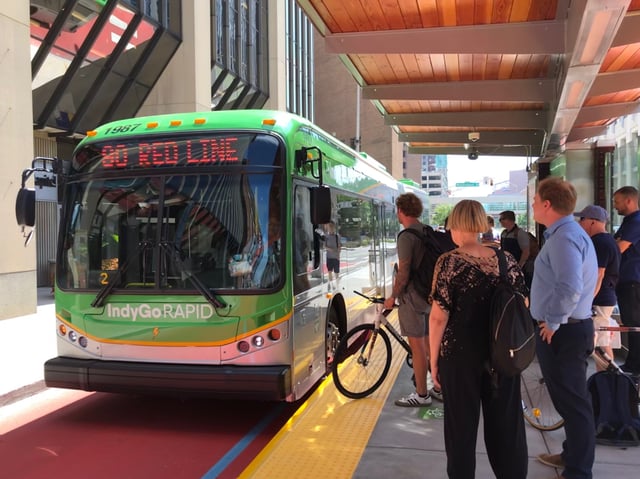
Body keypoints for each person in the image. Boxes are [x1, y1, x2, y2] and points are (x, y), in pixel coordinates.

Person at [429, 199, 528, 479]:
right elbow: (524, 304)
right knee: (507, 428)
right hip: (502, 356)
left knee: (460, 431)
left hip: (460, 357)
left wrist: (433, 359)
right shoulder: (505, 260)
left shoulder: (449, 262)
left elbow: (438, 317)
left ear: (455, 226)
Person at [530, 177, 598, 479]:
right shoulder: (568, 234)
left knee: (573, 403)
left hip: (563, 331)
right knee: (571, 402)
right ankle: (572, 457)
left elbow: (570, 285)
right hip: (569, 328)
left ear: (547, 204)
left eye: (534, 200)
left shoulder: (563, 238)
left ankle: (579, 471)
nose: (532, 205)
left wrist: (553, 321)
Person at [384, 193, 436, 406]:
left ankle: (422, 394)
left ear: (400, 211)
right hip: (429, 296)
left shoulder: (406, 236)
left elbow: (404, 271)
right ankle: (439, 387)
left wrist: (393, 296)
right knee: (429, 345)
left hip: (413, 298)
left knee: (417, 348)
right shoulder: (427, 231)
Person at [574, 205, 621, 371]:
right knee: (600, 342)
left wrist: (587, 300)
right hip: (603, 297)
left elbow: (598, 274)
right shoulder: (607, 240)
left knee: (600, 344)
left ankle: (608, 380)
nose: (580, 224)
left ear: (593, 222)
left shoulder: (600, 242)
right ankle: (607, 379)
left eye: (582, 220)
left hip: (599, 299)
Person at [613, 186, 640, 375]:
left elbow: (618, 248)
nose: (615, 206)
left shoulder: (636, 222)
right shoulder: (628, 221)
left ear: (629, 200)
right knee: (631, 324)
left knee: (634, 325)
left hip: (633, 280)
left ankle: (635, 366)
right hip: (626, 280)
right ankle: (633, 363)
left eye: (617, 201)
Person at [322, 221, 341, 291]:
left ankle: (337, 285)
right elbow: (324, 246)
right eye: (329, 227)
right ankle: (331, 284)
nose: (331, 228)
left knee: (336, 272)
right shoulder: (326, 236)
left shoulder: (337, 236)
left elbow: (339, 246)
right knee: (329, 271)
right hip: (329, 257)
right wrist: (330, 249)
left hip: (335, 257)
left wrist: (338, 255)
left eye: (332, 227)